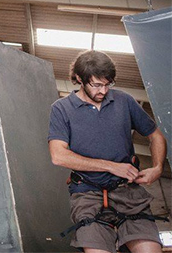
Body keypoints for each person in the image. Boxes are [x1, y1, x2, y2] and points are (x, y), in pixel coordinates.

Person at [48, 50, 168, 253]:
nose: (103, 91)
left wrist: (157, 168)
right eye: (96, 85)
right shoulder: (62, 108)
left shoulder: (124, 101)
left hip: (128, 192)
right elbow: (58, 155)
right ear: (79, 78)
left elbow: (156, 136)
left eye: (107, 84)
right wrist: (113, 167)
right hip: (87, 193)